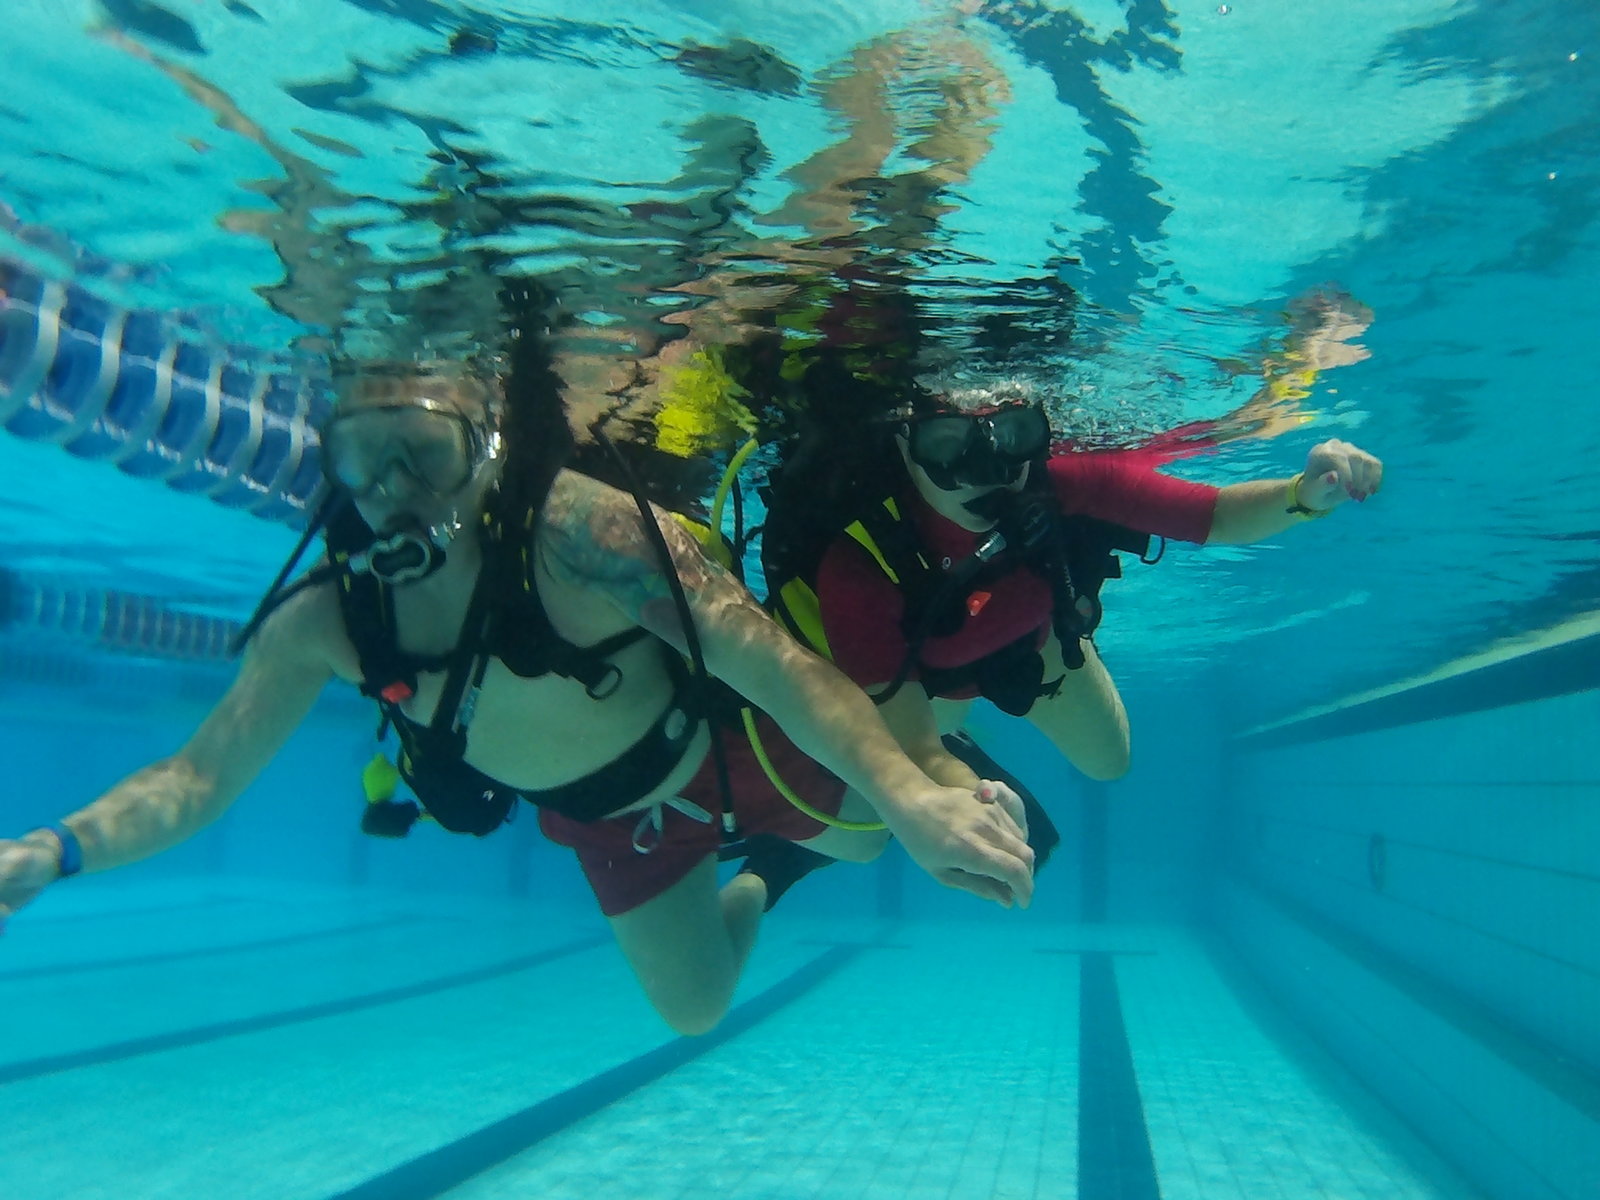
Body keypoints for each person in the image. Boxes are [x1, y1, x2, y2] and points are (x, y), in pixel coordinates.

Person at [0, 337, 1037, 1036]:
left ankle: (924, 766)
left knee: (881, 831)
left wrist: (913, 801)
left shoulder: (589, 538)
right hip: (607, 824)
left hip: (725, 750)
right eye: (364, 460)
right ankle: (766, 877)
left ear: (485, 447)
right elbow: (195, 780)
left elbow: (782, 672)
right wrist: (53, 850)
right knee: (694, 1010)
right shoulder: (328, 621)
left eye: (426, 452)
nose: (398, 494)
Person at [738, 376, 1382, 905]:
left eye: (1012, 436)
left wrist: (1303, 494)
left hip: (1037, 646)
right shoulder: (859, 564)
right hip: (926, 681)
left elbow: (1214, 515)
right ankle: (937, 758)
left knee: (1111, 761)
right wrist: (980, 803)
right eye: (947, 444)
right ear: (904, 445)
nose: (986, 472)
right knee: (888, 807)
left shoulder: (1066, 479)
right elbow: (916, 748)